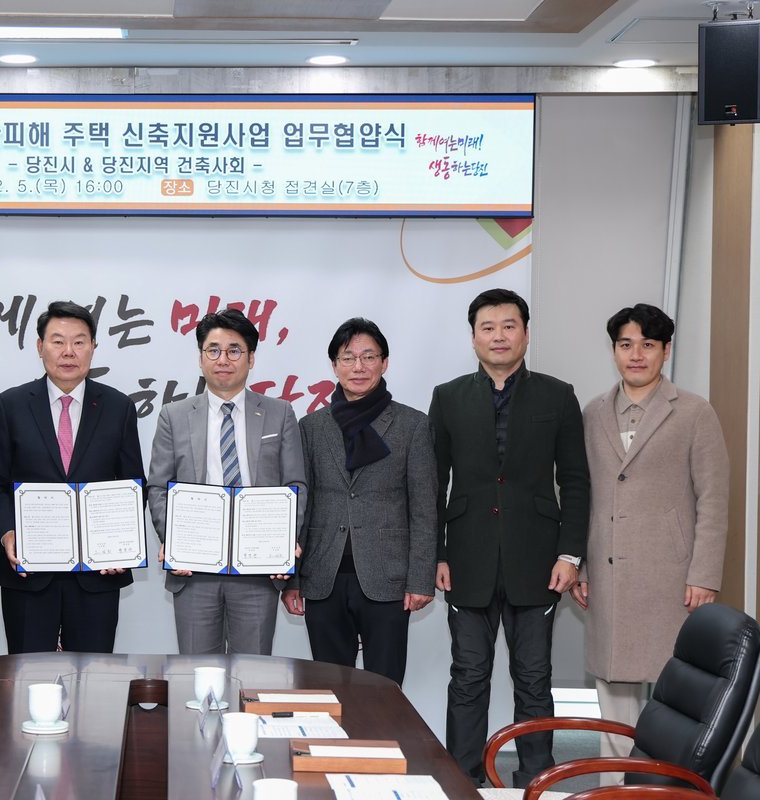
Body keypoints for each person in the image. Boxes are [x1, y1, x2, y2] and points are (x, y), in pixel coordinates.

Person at [429, 288, 589, 788]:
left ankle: (536, 781)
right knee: (468, 675)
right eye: (488, 327)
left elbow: (576, 481)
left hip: (538, 561)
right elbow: (433, 483)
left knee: (534, 679)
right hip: (467, 559)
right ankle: (463, 779)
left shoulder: (557, 395)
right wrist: (436, 553)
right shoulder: (448, 396)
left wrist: (570, 554)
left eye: (508, 325)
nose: (498, 336)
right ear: (473, 336)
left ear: (525, 332)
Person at [572, 303, 728, 774]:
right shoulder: (592, 412)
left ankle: (666, 786)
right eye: (626, 345)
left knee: (674, 694)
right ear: (613, 351)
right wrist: (581, 565)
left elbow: (713, 498)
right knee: (614, 694)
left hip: (672, 578)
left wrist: (705, 574)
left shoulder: (695, 412)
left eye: (648, 344)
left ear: (666, 350)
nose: (636, 354)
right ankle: (616, 786)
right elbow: (580, 495)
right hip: (608, 573)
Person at [0, 300, 145, 653]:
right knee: (27, 675)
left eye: (79, 341)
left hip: (96, 575)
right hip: (28, 572)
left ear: (93, 347)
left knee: (94, 675)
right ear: (40, 347)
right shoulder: (10, 405)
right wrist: (7, 532)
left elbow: (132, 484)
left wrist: (121, 542)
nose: (68, 351)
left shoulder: (118, 407)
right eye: (58, 341)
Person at [280, 318, 436, 685]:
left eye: (369, 357)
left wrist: (421, 579)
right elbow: (301, 506)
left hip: (388, 578)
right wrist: (292, 579)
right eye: (348, 358)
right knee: (330, 687)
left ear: (384, 362)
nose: (359, 367)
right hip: (324, 576)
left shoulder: (412, 425)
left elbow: (425, 508)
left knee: (385, 688)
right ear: (334, 366)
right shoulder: (311, 427)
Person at [147, 308, 306, 654]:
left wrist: (283, 542)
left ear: (251, 359)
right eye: (213, 350)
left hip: (257, 570)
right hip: (194, 570)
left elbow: (295, 486)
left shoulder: (280, 413)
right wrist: (173, 540)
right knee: (197, 673)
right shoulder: (174, 416)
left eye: (234, 350)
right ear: (201, 358)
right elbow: (158, 487)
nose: (223, 359)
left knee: (253, 672)